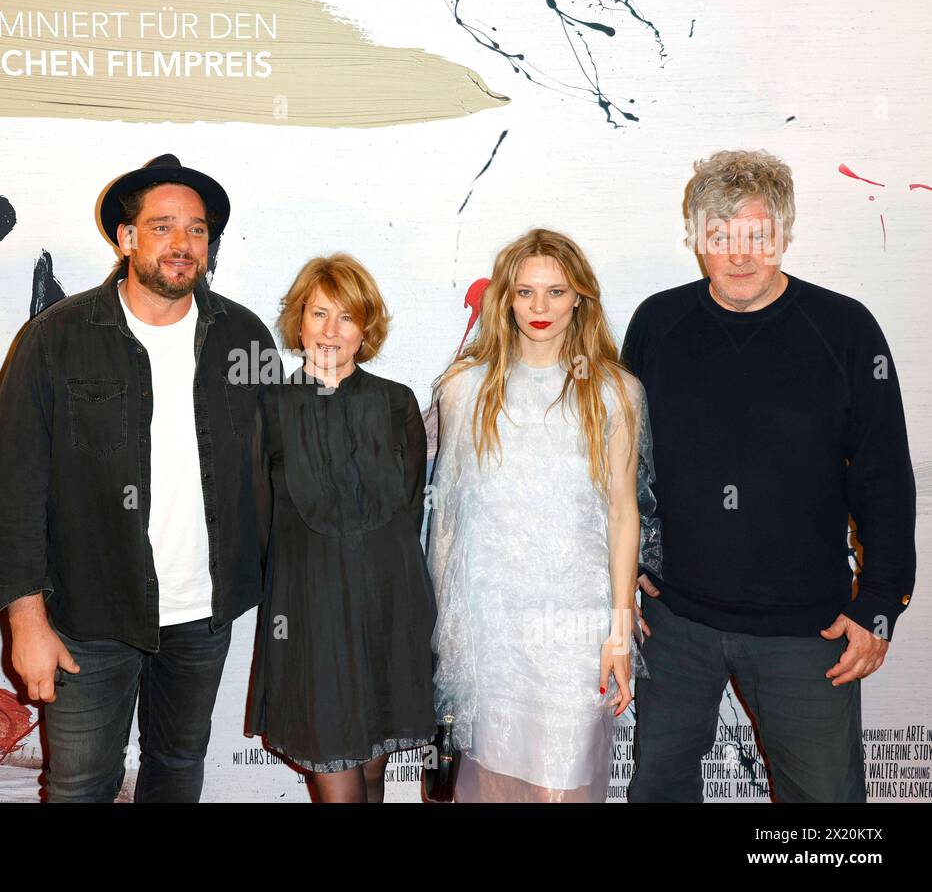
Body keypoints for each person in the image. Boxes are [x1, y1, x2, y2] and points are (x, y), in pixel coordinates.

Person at [0, 154, 277, 802]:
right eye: (164, 226)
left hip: (203, 616)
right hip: (89, 614)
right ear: (126, 237)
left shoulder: (243, 338)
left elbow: (276, 467)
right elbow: (13, 489)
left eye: (196, 230)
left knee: (177, 769)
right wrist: (26, 622)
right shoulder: (56, 339)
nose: (182, 244)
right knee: (81, 784)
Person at [625, 150, 916, 803]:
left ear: (784, 233)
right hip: (675, 623)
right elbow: (627, 459)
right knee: (657, 790)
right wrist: (633, 556)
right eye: (719, 235)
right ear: (695, 236)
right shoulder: (656, 325)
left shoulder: (846, 330)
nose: (738, 254)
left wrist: (881, 603)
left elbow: (885, 478)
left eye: (756, 234)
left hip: (806, 631)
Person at [428, 228, 642, 802]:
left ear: (580, 298)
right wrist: (447, 641)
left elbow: (625, 515)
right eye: (525, 293)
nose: (540, 308)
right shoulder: (464, 390)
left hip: (577, 630)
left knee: (567, 781)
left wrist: (619, 633)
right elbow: (445, 523)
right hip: (489, 629)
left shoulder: (615, 392)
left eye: (555, 292)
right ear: (506, 299)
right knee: (495, 784)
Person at [246, 254, 436, 803]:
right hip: (308, 612)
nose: (331, 331)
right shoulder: (270, 406)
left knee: (373, 771)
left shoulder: (397, 402)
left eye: (347, 317)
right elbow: (260, 521)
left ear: (366, 329)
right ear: (299, 322)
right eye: (319, 314)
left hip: (388, 605)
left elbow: (409, 511)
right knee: (337, 778)